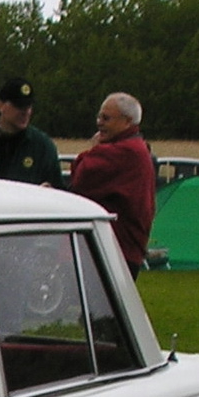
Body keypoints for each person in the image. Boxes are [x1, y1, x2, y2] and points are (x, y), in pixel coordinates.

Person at [70, 92, 157, 276]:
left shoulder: (123, 152)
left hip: (117, 250)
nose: (99, 123)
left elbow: (81, 177)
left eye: (106, 118)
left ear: (127, 122)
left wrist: (95, 149)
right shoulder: (138, 147)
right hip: (127, 249)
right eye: (99, 117)